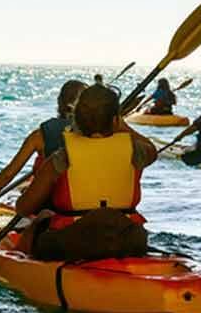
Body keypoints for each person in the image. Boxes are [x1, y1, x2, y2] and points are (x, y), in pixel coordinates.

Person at [15, 83, 156, 261]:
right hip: (128, 241)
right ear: (115, 120)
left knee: (42, 218)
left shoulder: (62, 157)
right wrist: (123, 126)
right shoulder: (137, 151)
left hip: (75, 243)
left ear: (77, 119)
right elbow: (153, 150)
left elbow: (24, 208)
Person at [0, 79, 86, 203]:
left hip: (50, 203)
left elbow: (9, 173)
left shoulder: (39, 135)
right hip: (84, 199)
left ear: (59, 103)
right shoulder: (96, 133)